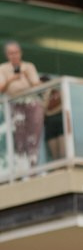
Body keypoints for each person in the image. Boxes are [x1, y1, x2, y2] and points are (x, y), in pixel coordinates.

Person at [0, 40, 44, 168]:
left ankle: (33, 166)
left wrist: (26, 77)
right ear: (7, 55)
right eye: (11, 53)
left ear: (21, 53)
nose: (14, 56)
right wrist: (11, 79)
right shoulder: (3, 68)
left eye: (16, 52)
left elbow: (37, 85)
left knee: (34, 134)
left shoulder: (28, 66)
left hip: (31, 101)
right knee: (19, 137)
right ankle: (20, 168)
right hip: (14, 104)